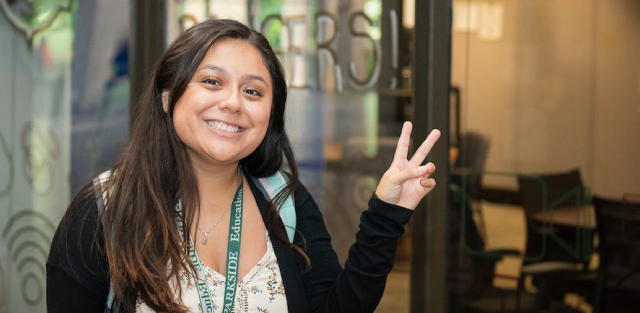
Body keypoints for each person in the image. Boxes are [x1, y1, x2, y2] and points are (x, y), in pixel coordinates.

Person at [46, 19, 440, 313]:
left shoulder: (283, 199)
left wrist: (387, 215)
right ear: (168, 97)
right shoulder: (102, 212)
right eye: (212, 82)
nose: (233, 103)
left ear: (270, 113)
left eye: (253, 91)